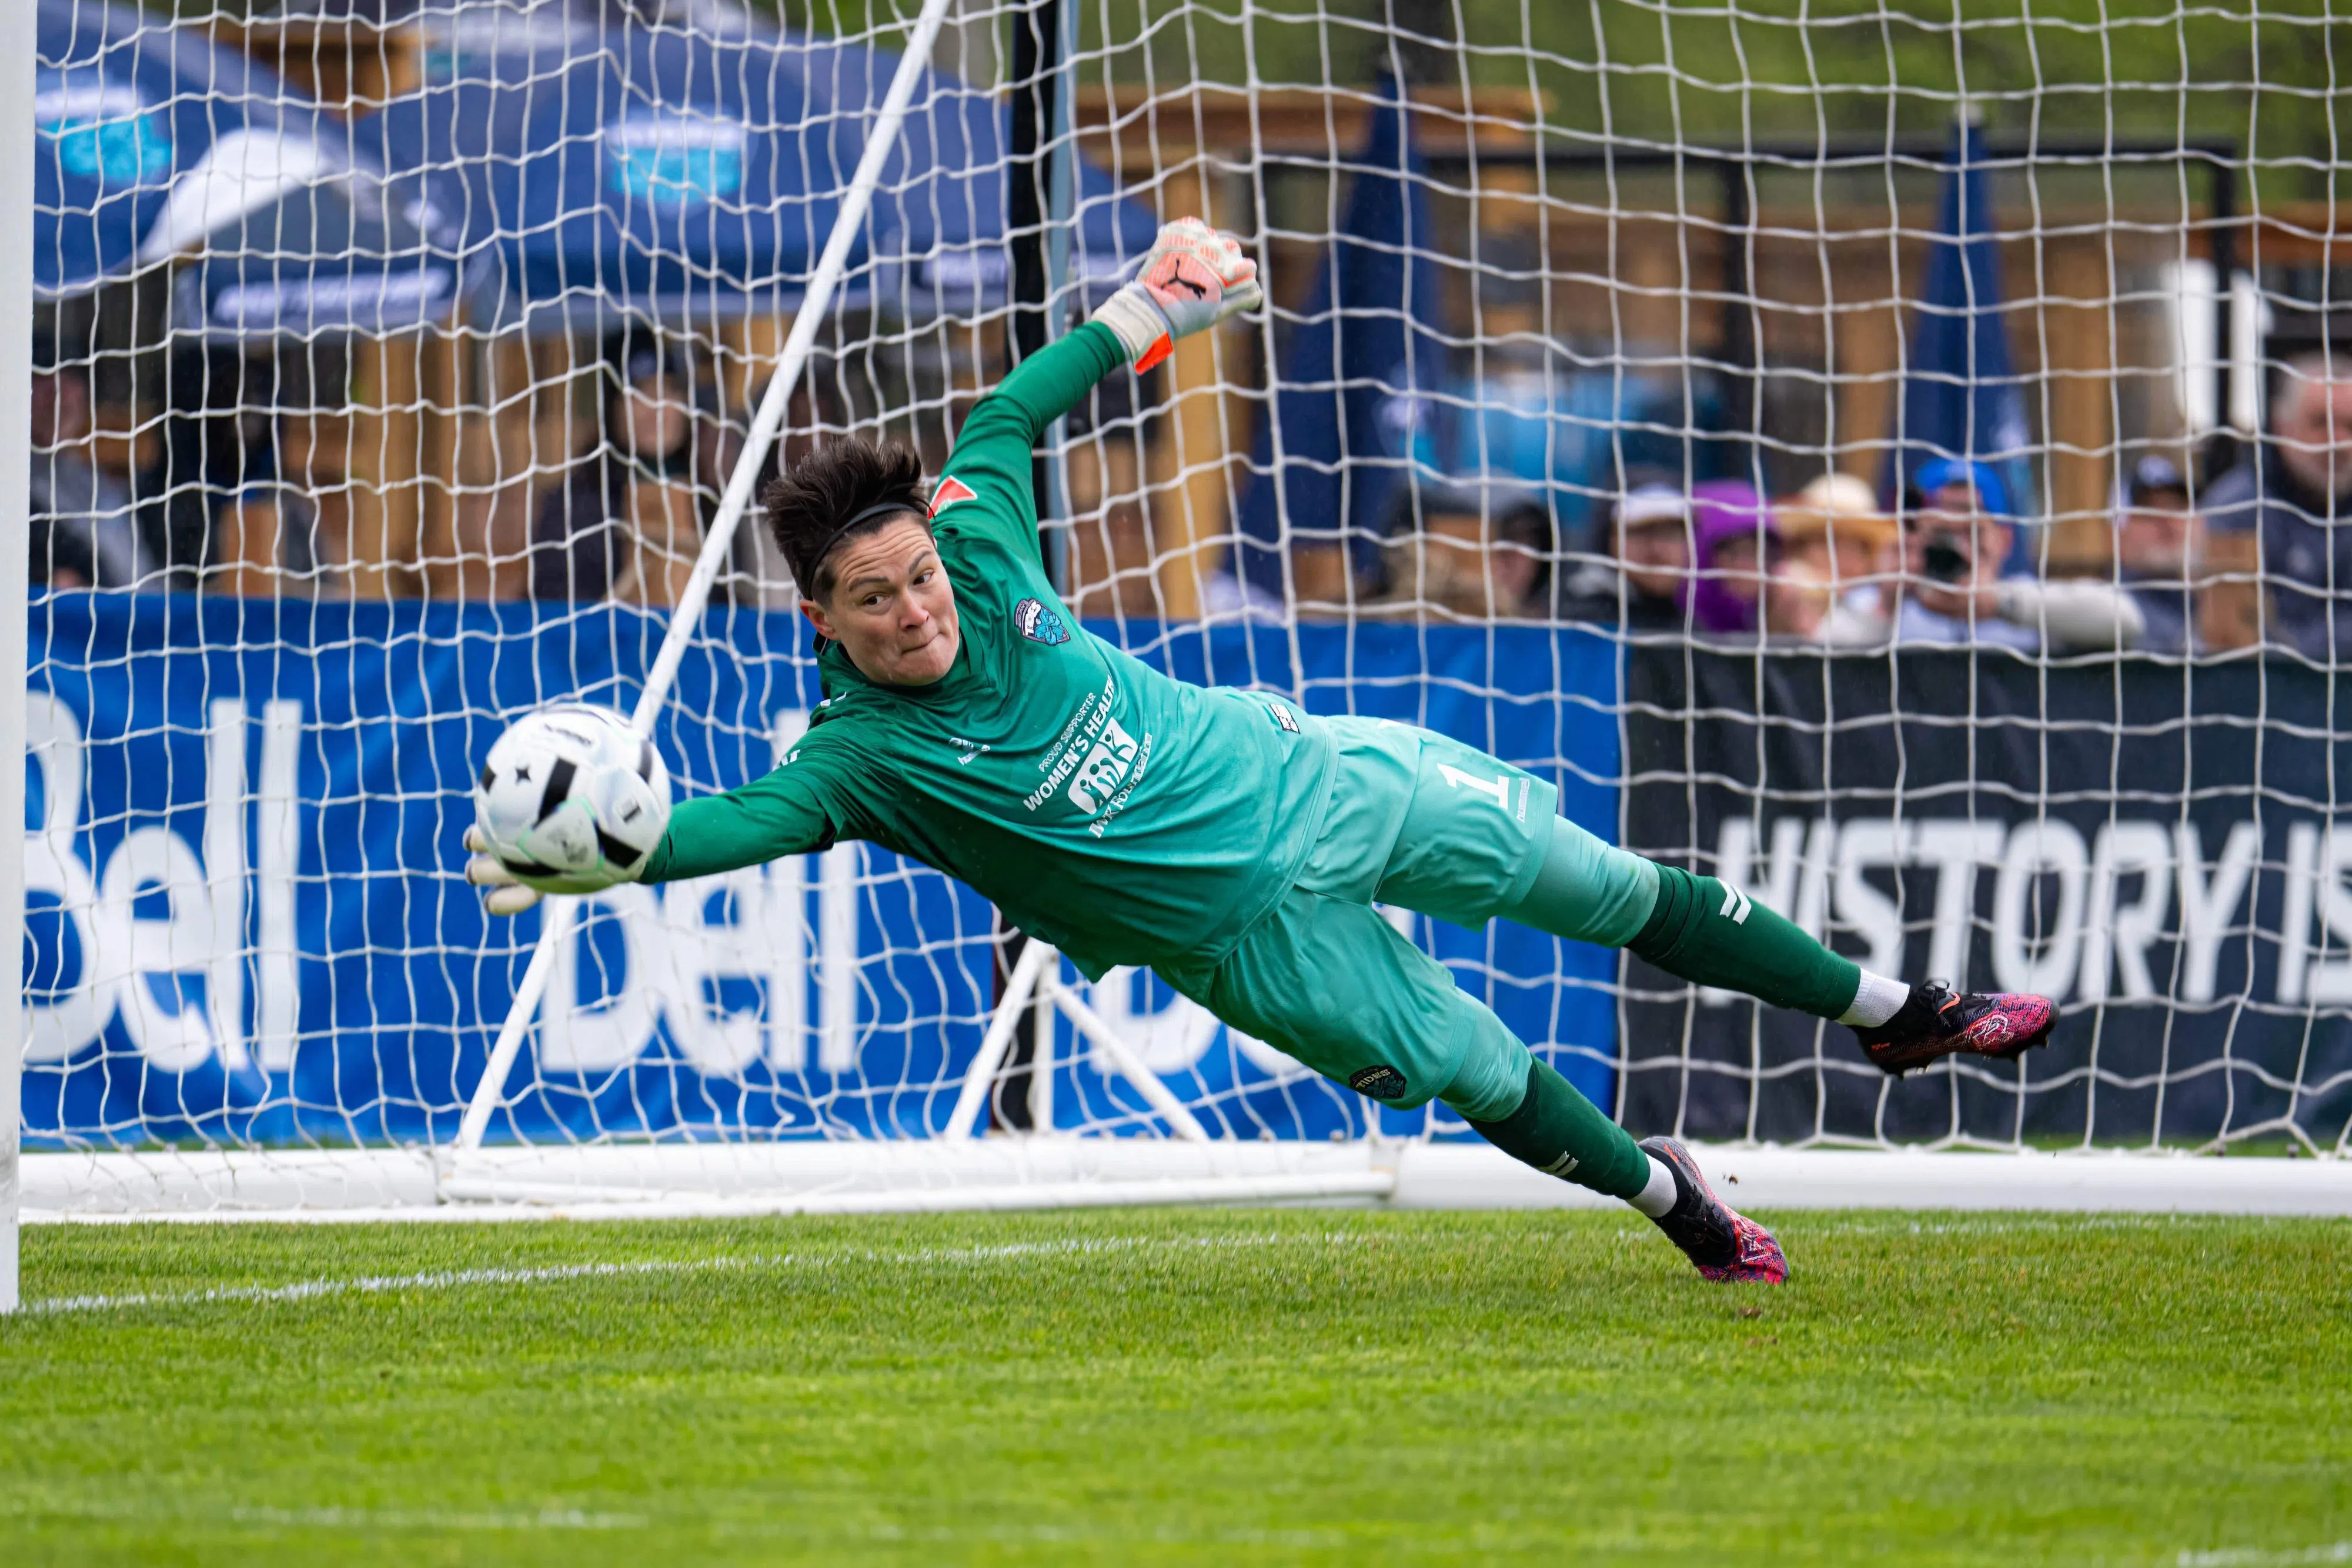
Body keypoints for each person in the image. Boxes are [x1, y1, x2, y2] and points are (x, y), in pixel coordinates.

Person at [466, 219, 2058, 1285]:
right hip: (1254, 941)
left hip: (1313, 773)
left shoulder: (981, 535)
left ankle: (1904, 1013)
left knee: (1612, 882)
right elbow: (712, 832)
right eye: (875, 603)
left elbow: (1014, 412)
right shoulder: (860, 761)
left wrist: (1150, 305)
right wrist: (595, 854)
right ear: (823, 619)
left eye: (921, 581)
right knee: (1478, 1071)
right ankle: (1677, 1201)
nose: (916, 612)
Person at [1892, 457, 2144, 653]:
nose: (1959, 547)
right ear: (1915, 539)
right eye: (1942, 533)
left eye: (1972, 532)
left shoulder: (2029, 603)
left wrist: (1999, 604)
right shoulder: (1894, 603)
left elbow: (2125, 620)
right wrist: (1891, 599)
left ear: (2005, 539)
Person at [2201, 353, 2352, 658]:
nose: (2337, 441)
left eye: (2350, 425)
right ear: (2283, 428)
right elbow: (2230, 635)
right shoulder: (2234, 509)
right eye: (2319, 423)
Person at [530, 343, 701, 603]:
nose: (656, 408)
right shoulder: (573, 505)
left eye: (669, 390)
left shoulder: (713, 497)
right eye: (638, 393)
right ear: (612, 408)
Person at [29, 363, 161, 590]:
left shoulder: (101, 484)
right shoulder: (17, 486)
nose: (58, 395)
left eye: (70, 379)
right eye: (41, 378)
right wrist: (43, 576)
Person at [1556, 470, 1692, 631]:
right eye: (1641, 532)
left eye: (1671, 533)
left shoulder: (1689, 624)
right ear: (1606, 538)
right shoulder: (1583, 624)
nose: (1657, 549)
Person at [1771, 472, 1895, 643]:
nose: (1841, 556)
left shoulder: (1878, 603)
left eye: (1856, 546)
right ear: (1800, 548)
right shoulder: (1775, 590)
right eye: (1827, 542)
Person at [2113, 454, 2199, 656]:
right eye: (2148, 510)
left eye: (2178, 507)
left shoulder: (2211, 607)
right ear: (2117, 531)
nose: (2167, 521)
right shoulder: (2108, 609)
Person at [1687, 480, 1775, 636]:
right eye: (1730, 551)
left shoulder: (1780, 613)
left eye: (1756, 551)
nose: (1743, 564)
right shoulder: (1684, 622)